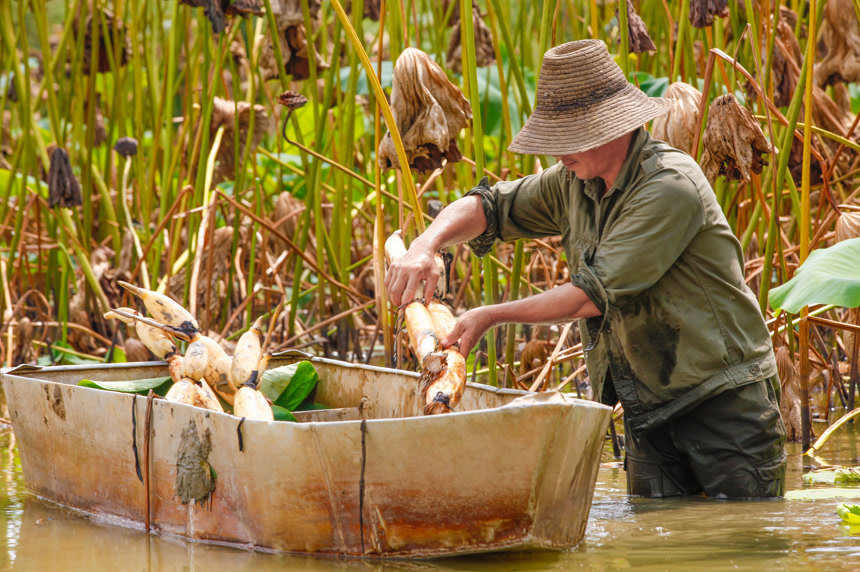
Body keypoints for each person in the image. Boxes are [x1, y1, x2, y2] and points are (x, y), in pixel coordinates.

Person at [385, 40, 786, 499]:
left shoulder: (670, 187)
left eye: (565, 140)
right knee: (659, 547)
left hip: (722, 401)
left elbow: (588, 296)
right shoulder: (575, 180)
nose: (558, 156)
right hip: (646, 405)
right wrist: (425, 243)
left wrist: (489, 315)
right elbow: (492, 206)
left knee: (747, 539)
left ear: (605, 129)